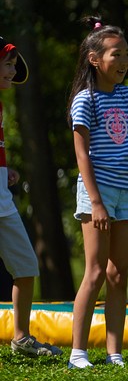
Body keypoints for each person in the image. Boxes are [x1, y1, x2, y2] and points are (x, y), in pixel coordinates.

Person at [66, 17, 128, 369]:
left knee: (119, 273)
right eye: (116, 55)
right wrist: (97, 203)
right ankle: (78, 352)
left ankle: (114, 352)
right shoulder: (84, 100)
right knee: (95, 272)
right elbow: (81, 156)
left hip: (126, 191)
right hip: (97, 191)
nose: (124, 62)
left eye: (127, 54)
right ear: (95, 60)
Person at [0, 36, 62, 358]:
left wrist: (5, 171)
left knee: (25, 266)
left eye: (12, 65)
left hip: (2, 201)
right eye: (7, 64)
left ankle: (21, 339)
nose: (12, 71)